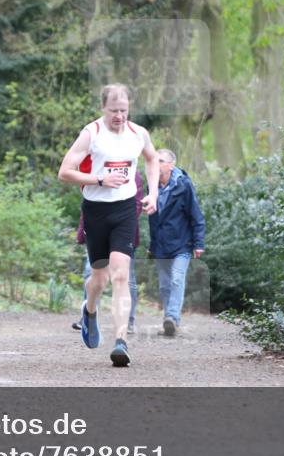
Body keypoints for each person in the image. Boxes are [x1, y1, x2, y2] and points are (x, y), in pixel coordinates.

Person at [58, 84, 159, 367]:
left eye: (123, 110)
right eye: (114, 110)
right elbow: (64, 172)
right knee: (99, 279)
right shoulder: (91, 133)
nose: (119, 116)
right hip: (96, 212)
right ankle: (89, 310)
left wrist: (153, 193)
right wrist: (99, 180)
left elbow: (152, 159)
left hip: (125, 209)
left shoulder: (138, 133)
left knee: (121, 275)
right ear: (103, 108)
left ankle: (120, 342)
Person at [71, 171, 143, 335]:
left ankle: (127, 324)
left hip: (122, 232)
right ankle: (89, 315)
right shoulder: (95, 170)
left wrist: (124, 225)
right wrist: (83, 232)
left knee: (124, 278)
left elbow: (137, 204)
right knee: (93, 275)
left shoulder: (132, 170)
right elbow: (87, 205)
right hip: (97, 232)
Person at [147, 148, 206, 336]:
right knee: (164, 285)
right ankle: (170, 322)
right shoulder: (151, 186)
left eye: (161, 161)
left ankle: (172, 317)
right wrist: (152, 245)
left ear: (171, 165)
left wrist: (198, 243)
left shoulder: (184, 185)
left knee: (177, 278)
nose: (157, 165)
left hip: (182, 244)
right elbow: (152, 220)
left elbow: (196, 215)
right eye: (155, 161)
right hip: (160, 245)